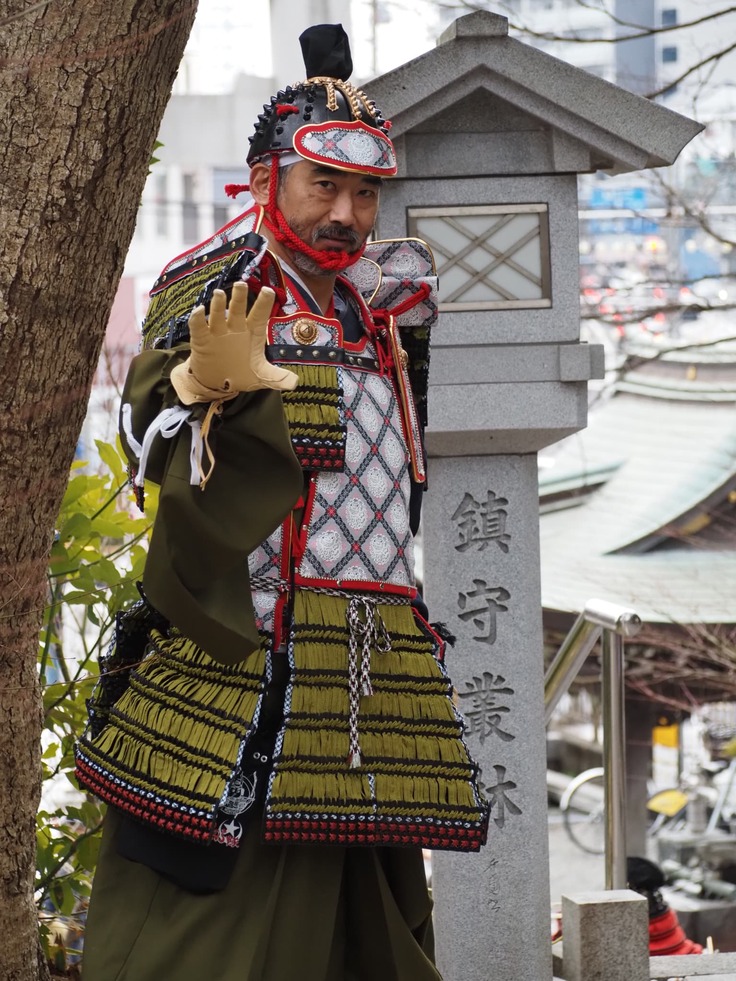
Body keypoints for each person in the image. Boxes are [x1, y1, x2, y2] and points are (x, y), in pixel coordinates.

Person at [77, 24, 488, 981]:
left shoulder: (381, 309)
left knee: (372, 908)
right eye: (324, 186)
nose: (346, 213)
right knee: (207, 924)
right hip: (249, 653)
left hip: (370, 657)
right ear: (269, 180)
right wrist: (194, 388)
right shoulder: (217, 280)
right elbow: (142, 433)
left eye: (365, 193)